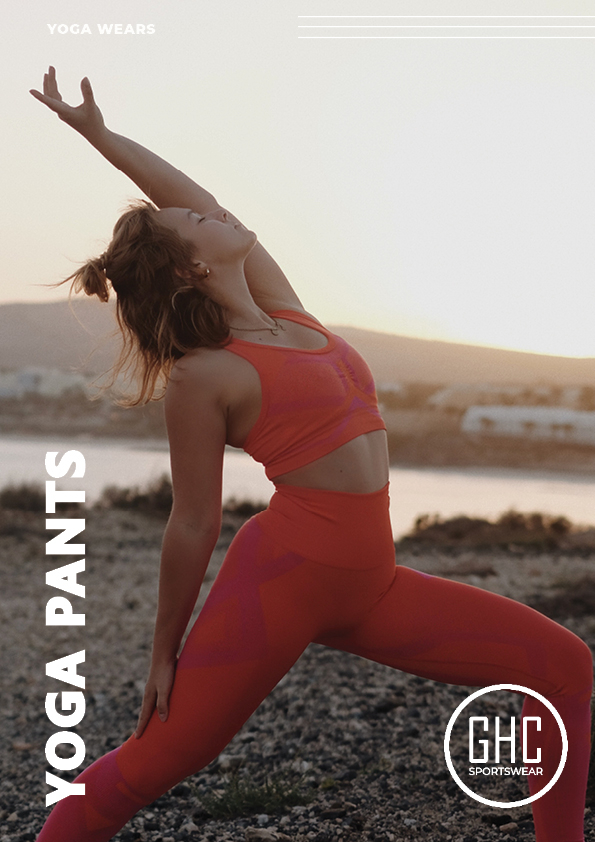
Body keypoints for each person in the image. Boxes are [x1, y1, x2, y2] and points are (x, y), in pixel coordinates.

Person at [31, 67, 592, 842]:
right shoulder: (205, 375)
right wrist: (163, 653)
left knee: (561, 667)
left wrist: (101, 138)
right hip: (284, 581)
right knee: (159, 759)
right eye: (198, 221)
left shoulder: (282, 311)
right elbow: (192, 522)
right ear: (195, 267)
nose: (213, 212)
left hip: (372, 582)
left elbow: (190, 198)